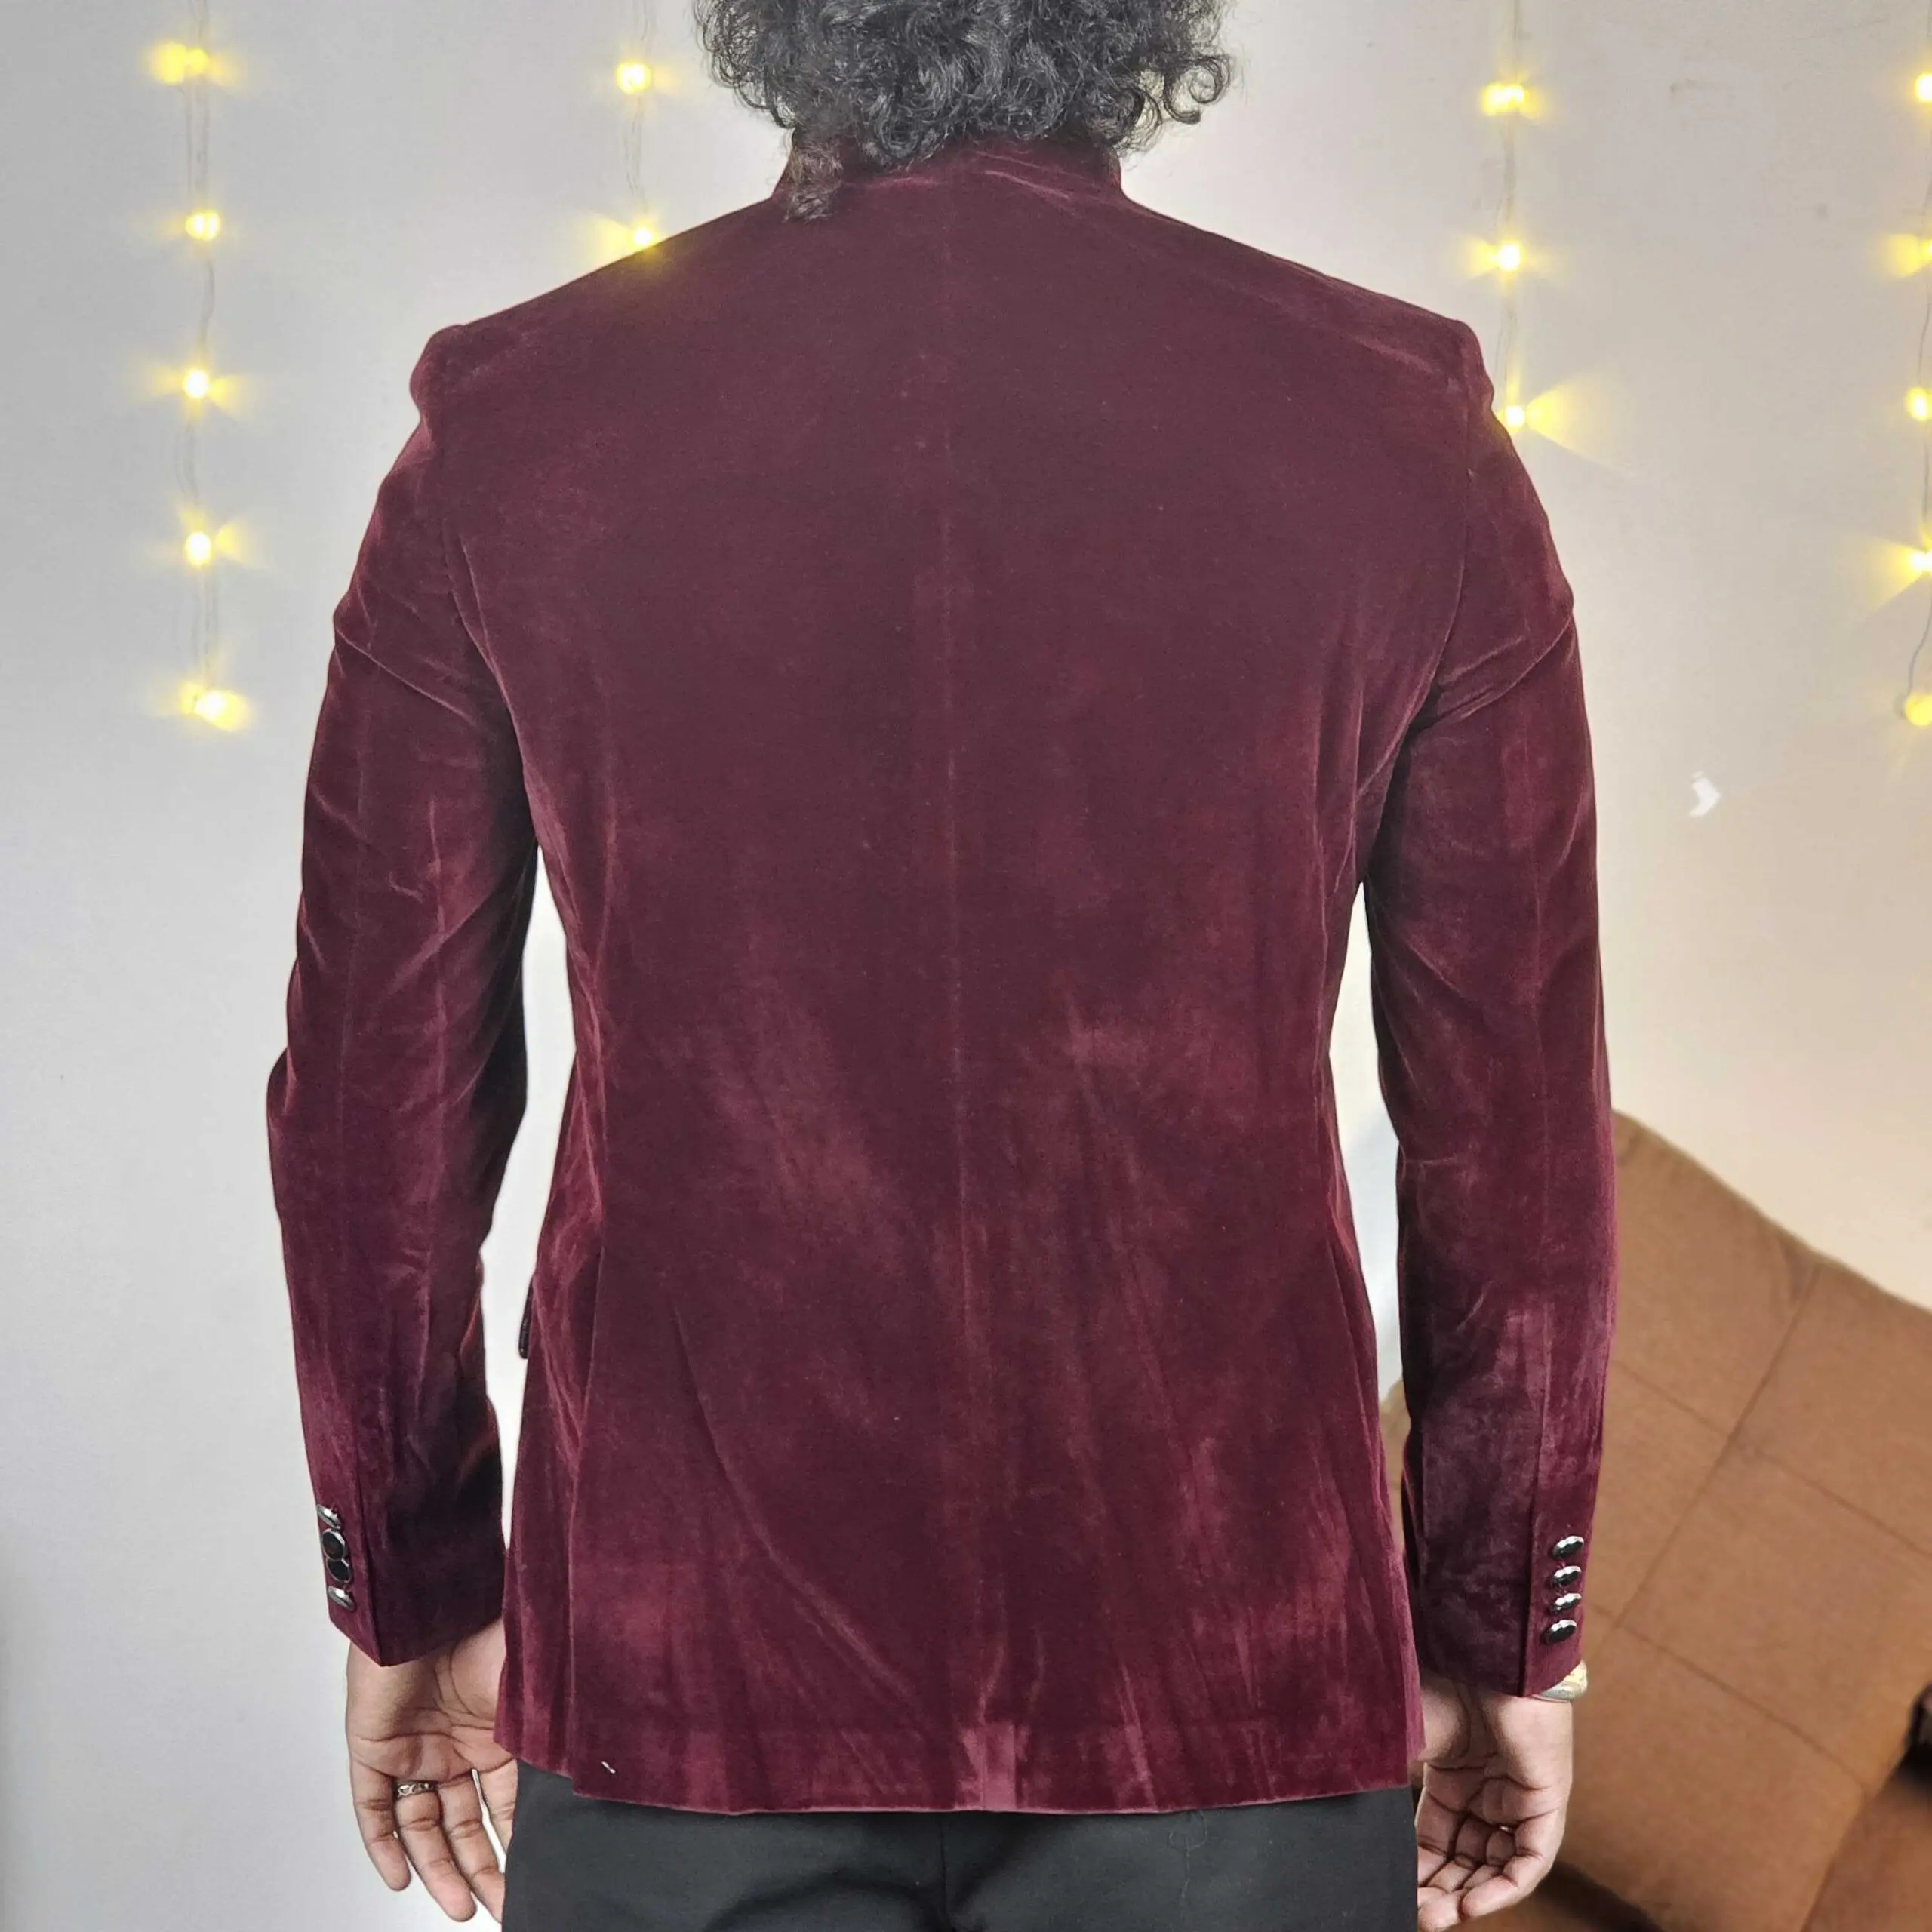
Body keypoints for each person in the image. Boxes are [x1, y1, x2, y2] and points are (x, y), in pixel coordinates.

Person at [263, 2, 1618, 1927]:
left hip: (681, 1686)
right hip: (1227, 1691)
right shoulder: (1400, 433)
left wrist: (409, 1585)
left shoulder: (517, 426)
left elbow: (370, 1115)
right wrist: (1503, 1627)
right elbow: (1517, 1144)